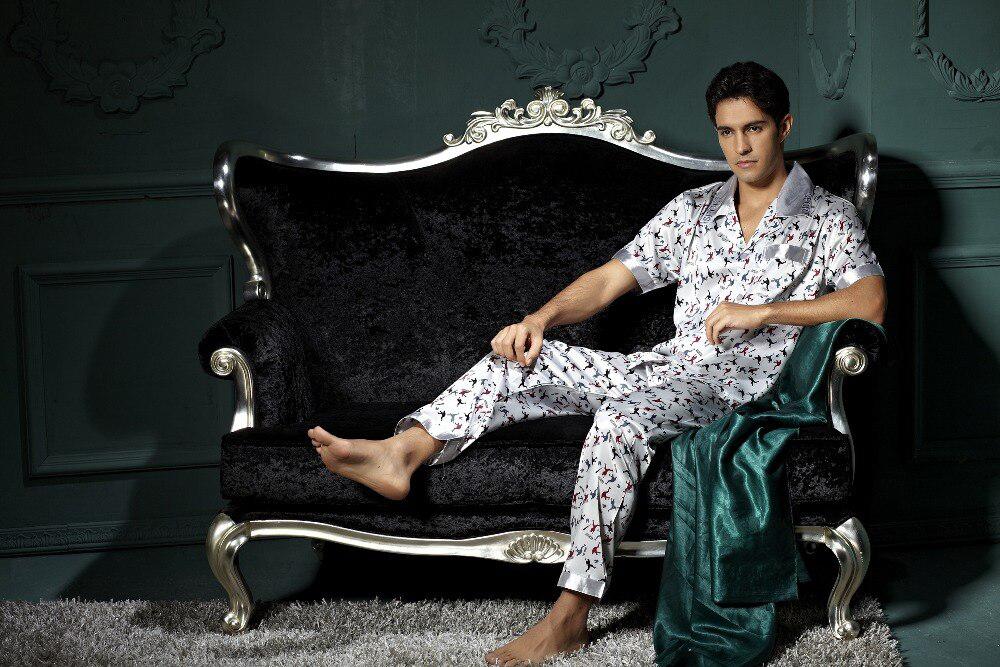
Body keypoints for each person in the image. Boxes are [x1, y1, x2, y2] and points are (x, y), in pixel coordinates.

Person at [307, 60, 887, 666]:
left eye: (755, 129)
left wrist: (765, 312)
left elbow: (870, 301)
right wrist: (539, 320)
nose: (740, 147)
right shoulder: (695, 210)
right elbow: (610, 280)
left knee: (621, 417)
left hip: (745, 388)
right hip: (669, 370)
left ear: (784, 126)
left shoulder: (828, 216)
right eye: (726, 131)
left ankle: (569, 615)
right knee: (520, 362)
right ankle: (403, 452)